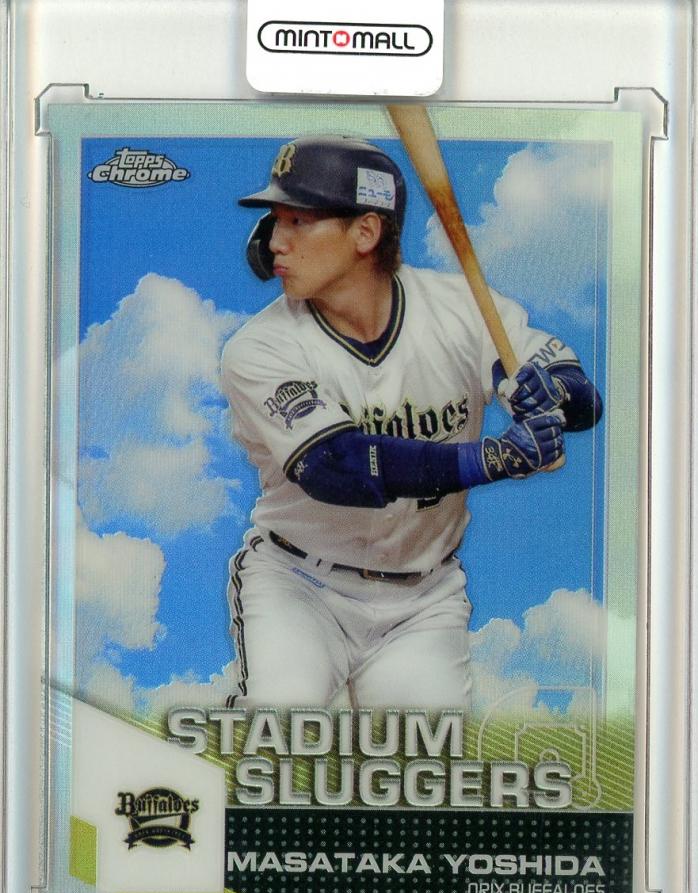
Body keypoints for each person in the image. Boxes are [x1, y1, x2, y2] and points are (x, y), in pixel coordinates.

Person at [220, 135, 601, 711]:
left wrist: (549, 395)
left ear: (365, 233)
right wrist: (493, 459)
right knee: (282, 725)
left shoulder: (459, 308)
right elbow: (338, 467)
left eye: (298, 220)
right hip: (299, 585)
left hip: (423, 599)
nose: (275, 241)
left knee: (423, 753)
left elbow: (582, 398)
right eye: (275, 220)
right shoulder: (259, 348)